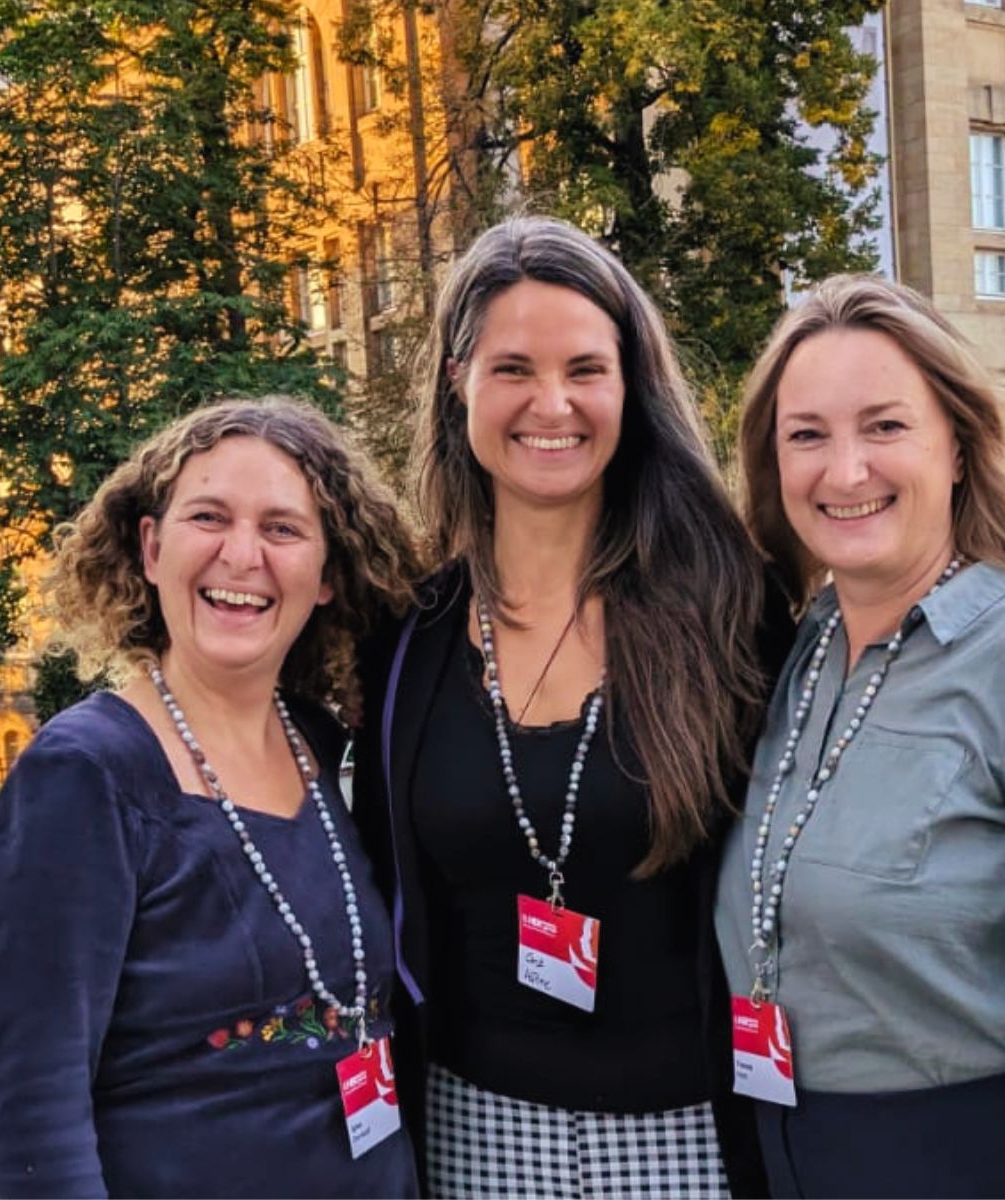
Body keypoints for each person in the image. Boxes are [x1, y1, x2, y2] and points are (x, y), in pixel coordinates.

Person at [354, 216, 794, 1198]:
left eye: (585, 369)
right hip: (470, 1131)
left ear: (631, 388)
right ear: (457, 380)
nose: (551, 403)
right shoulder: (411, 639)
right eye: (513, 367)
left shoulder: (732, 608)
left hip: (690, 1138)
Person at [717, 274, 1005, 1199]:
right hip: (801, 1154)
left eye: (884, 427)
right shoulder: (800, 657)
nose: (845, 471)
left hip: (988, 1161)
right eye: (808, 435)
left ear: (956, 447)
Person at [0, 397, 422, 1199]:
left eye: (282, 529)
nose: (241, 556)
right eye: (208, 517)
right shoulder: (87, 775)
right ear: (150, 548)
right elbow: (29, 1119)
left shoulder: (318, 744)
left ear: (326, 577)